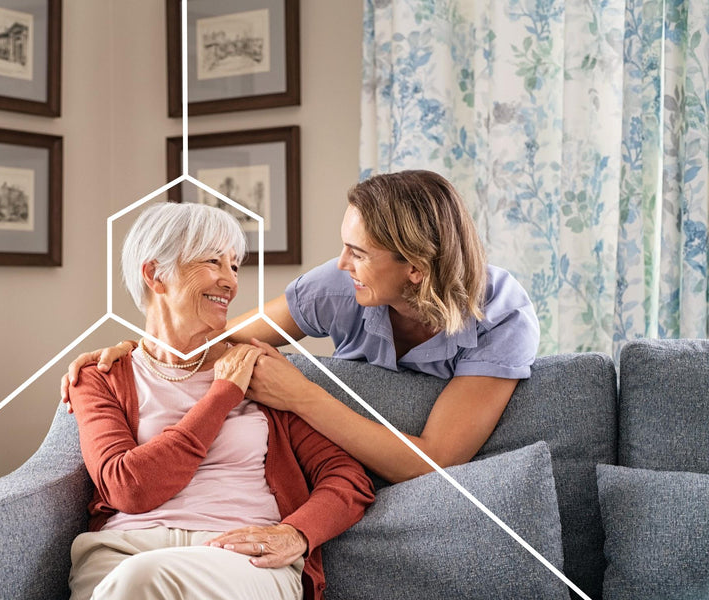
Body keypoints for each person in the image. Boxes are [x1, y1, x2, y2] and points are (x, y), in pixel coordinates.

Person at [63, 170, 540, 485]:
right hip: (327, 468)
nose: (341, 262)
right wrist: (136, 350)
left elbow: (434, 461)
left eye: (359, 253)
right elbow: (213, 342)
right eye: (344, 245)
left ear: (415, 268)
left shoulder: (501, 316)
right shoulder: (336, 287)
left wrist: (298, 394)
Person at [67, 201, 374, 600]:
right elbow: (128, 489)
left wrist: (296, 534)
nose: (230, 282)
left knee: (141, 580)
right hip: (122, 552)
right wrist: (222, 395)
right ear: (155, 274)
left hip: (237, 555)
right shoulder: (99, 377)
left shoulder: (259, 369)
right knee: (135, 577)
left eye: (234, 266)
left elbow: (348, 478)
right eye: (213, 261)